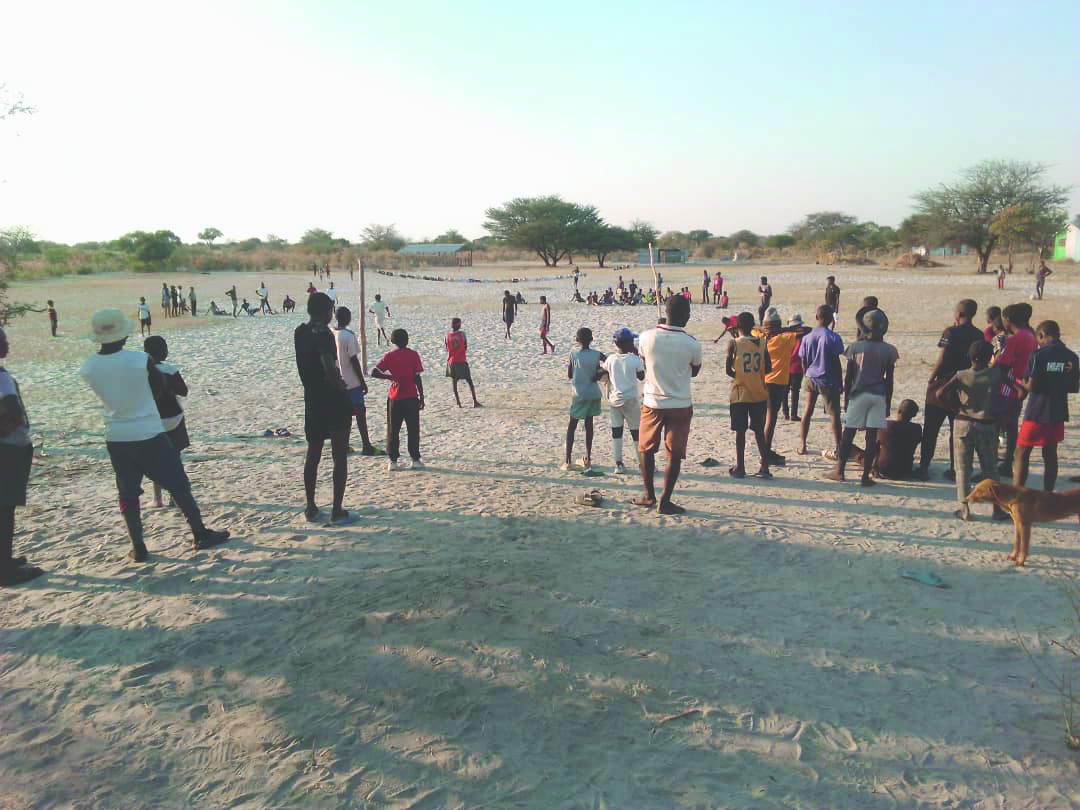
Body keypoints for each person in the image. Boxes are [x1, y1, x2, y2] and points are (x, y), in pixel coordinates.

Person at [79, 309, 230, 561]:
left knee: (127, 493)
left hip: (116, 435)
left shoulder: (89, 367)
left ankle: (138, 546)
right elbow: (159, 389)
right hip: (149, 431)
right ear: (124, 335)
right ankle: (199, 532)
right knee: (179, 484)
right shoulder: (140, 360)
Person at [635, 296, 702, 514]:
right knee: (674, 453)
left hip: (652, 401)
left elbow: (644, 362)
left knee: (646, 448)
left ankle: (648, 494)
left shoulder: (646, 337)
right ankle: (665, 500)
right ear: (684, 316)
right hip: (680, 402)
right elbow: (695, 370)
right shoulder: (692, 343)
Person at [294, 293, 354, 523]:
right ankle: (337, 510)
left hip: (312, 398)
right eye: (330, 310)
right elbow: (328, 365)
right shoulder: (324, 334)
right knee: (339, 454)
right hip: (331, 397)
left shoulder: (300, 332)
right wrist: (341, 386)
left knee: (314, 453)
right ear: (324, 311)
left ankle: (311, 507)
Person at [934, 341, 1007, 520]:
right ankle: (997, 509)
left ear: (969, 356)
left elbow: (939, 393)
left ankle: (965, 510)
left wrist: (955, 407)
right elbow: (1019, 389)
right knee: (990, 469)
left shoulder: (961, 375)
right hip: (986, 423)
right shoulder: (995, 374)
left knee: (963, 469)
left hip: (963, 422)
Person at [825, 310, 897, 485]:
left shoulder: (856, 348)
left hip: (858, 395)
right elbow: (889, 380)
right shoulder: (889, 350)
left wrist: (846, 399)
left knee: (848, 434)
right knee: (872, 437)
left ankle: (840, 471)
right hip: (878, 395)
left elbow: (849, 377)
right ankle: (866, 476)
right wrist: (888, 402)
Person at [916, 299, 982, 481]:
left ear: (958, 314)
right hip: (964, 386)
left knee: (931, 429)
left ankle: (923, 468)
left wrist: (931, 378)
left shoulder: (950, 332)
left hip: (943, 383)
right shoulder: (979, 334)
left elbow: (942, 356)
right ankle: (955, 468)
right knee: (957, 430)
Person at [1011, 320, 1079, 492]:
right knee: (1050, 454)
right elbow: (1074, 387)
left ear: (1040, 335)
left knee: (1022, 452)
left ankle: (1017, 494)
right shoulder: (1071, 356)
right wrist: (1056, 383)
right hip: (1058, 411)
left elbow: (1031, 386)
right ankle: (1048, 494)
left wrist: (1019, 382)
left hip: (1037, 410)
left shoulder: (1039, 355)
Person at [0, 328, 43, 586]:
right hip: (9, 449)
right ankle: (6, 570)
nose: (8, 343)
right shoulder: (2, 378)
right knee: (5, 509)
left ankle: (5, 560)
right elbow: (15, 414)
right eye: (3, 340)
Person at [143, 335, 190, 508]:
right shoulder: (169, 369)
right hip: (173, 418)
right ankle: (175, 497)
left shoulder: (140, 370)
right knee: (174, 458)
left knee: (155, 460)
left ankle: (157, 499)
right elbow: (183, 391)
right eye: (165, 348)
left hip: (150, 420)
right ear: (161, 351)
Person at [991, 302, 1036, 477]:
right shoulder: (1030, 335)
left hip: (1009, 388)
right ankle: (1007, 464)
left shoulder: (1016, 339)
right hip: (1021, 386)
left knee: (995, 426)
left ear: (1007, 320)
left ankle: (993, 466)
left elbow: (1002, 367)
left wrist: (1015, 388)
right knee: (1011, 427)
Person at [758, 308, 809, 464]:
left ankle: (764, 449)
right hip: (777, 383)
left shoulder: (759, 337)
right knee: (771, 419)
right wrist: (783, 329)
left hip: (761, 382)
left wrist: (766, 329)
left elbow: (753, 328)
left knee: (764, 418)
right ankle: (765, 452)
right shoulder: (784, 339)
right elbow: (807, 330)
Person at [372, 328, 425, 472]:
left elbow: (374, 372)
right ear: (407, 340)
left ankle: (393, 461)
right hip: (411, 396)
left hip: (395, 397)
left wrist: (389, 377)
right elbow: (417, 377)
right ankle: (415, 459)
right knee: (413, 429)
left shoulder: (389, 356)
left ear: (393, 341)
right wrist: (422, 396)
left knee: (393, 429)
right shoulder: (413, 355)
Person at [727, 311, 772, 479]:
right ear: (753, 326)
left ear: (737, 327)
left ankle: (740, 467)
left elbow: (728, 370)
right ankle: (765, 466)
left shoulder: (734, 343)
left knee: (740, 431)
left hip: (740, 393)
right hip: (759, 392)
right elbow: (769, 368)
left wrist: (740, 375)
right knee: (759, 431)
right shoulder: (762, 342)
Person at [797, 305, 844, 458]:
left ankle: (803, 444)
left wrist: (806, 374)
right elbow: (836, 361)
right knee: (834, 415)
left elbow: (803, 359)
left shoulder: (807, 337)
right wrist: (840, 381)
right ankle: (838, 446)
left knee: (807, 411)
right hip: (828, 380)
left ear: (816, 317)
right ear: (831, 319)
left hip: (811, 377)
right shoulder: (833, 337)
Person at [600, 328, 645, 475]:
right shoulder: (634, 359)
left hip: (615, 400)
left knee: (617, 432)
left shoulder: (611, 359)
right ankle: (641, 463)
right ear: (629, 343)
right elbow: (641, 376)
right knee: (636, 432)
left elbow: (604, 371)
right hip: (630, 400)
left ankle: (618, 463)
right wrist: (637, 354)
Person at [334, 306, 376, 456]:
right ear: (348, 318)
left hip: (337, 381)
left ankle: (343, 445)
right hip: (351, 381)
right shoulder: (348, 336)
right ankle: (366, 445)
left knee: (342, 415)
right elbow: (354, 360)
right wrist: (362, 381)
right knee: (360, 413)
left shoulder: (331, 333)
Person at [562, 328, 604, 471]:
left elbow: (569, 374)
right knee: (589, 425)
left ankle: (567, 460)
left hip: (579, 394)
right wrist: (600, 372)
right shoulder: (596, 354)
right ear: (591, 339)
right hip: (593, 393)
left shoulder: (574, 354)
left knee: (572, 425)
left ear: (577, 340)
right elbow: (609, 362)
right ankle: (587, 457)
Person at [849, 399, 923, 480]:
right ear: (913, 415)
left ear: (899, 410)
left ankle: (840, 453)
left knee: (851, 448)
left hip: (884, 469)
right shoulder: (916, 429)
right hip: (905, 468)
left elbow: (875, 447)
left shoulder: (887, 425)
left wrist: (874, 466)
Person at [446, 317, 481, 408]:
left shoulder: (448, 335)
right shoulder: (462, 334)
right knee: (469, 380)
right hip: (461, 360)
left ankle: (458, 402)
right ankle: (475, 401)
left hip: (452, 361)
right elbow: (465, 346)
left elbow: (447, 347)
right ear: (459, 325)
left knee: (454, 381)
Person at [785, 314, 806, 421]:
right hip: (798, 367)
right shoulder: (803, 336)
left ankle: (785, 413)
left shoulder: (785, 335)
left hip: (785, 366)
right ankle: (793, 414)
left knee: (785, 390)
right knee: (795, 391)